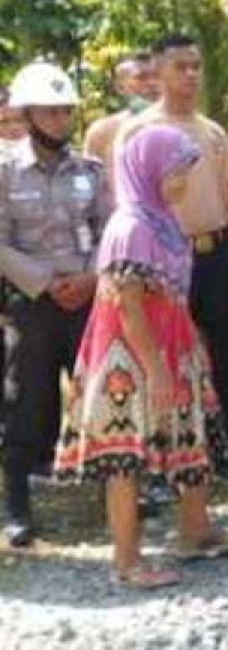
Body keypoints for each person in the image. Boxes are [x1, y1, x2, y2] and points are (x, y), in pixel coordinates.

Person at [54, 125, 228, 588]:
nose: (183, 182)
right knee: (125, 457)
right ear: (148, 170)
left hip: (168, 344)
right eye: (177, 172)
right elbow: (127, 304)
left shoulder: (160, 219)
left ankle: (195, 530)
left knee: (189, 433)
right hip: (131, 358)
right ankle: (127, 561)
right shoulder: (132, 227)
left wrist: (187, 344)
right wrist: (157, 368)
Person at [118, 35, 228, 466]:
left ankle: (222, 440)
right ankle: (168, 450)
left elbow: (226, 199)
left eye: (196, 65)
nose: (191, 74)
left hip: (214, 256)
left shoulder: (212, 131)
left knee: (225, 349)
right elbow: (130, 201)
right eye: (181, 66)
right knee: (165, 351)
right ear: (157, 73)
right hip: (162, 258)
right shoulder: (139, 131)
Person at [0, 62, 110, 547]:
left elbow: (109, 231)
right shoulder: (5, 173)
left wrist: (88, 278)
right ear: (26, 115)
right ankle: (17, 505)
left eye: (66, 110)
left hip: (88, 298)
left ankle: (119, 492)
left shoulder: (90, 171)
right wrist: (46, 284)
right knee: (26, 401)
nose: (60, 119)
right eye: (50, 111)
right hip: (33, 303)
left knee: (100, 396)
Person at [83, 52, 159, 170]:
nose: (152, 83)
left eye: (156, 76)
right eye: (141, 77)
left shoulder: (182, 125)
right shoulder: (102, 132)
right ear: (120, 87)